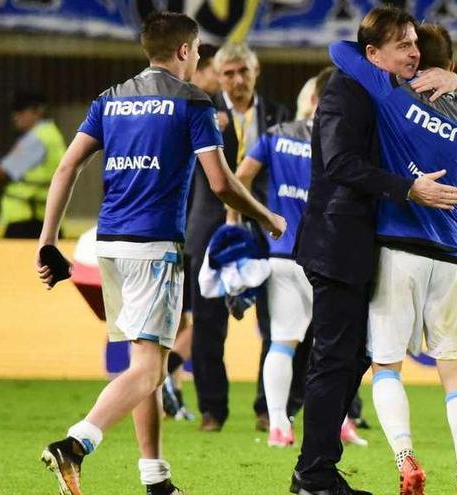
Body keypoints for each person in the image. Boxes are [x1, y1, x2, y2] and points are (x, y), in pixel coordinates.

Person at [35, 12, 285, 495]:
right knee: (151, 368)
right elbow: (220, 183)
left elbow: (67, 167)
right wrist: (267, 217)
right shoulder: (192, 101)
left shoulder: (109, 100)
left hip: (110, 245)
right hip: (154, 248)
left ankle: (155, 478)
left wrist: (48, 240)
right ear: (186, 51)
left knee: (140, 362)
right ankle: (76, 443)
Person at [291, 5, 457, 494]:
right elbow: (341, 164)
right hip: (337, 242)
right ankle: (314, 473)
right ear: (372, 53)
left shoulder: (391, 94)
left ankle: (317, 468)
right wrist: (409, 188)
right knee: (334, 359)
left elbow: (446, 120)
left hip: (365, 247)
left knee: (350, 359)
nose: (414, 52)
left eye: (415, 43)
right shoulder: (346, 91)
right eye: (403, 46)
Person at [225, 68, 369, 449]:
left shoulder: (274, 136)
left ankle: (278, 427)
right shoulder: (337, 141)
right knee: (333, 348)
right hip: (324, 257)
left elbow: (237, 180)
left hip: (281, 256)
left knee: (282, 343)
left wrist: (240, 224)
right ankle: (339, 423)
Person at [185, 41, 299, 433]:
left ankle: (267, 407)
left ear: (256, 72)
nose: (236, 80)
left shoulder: (280, 116)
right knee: (208, 325)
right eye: (228, 73)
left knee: (274, 322)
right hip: (210, 229)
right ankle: (212, 410)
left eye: (243, 72)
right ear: (218, 75)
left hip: (265, 230)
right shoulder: (200, 111)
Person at [161, 42, 224, 422]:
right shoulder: (200, 110)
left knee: (180, 319)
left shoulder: (174, 108)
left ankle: (173, 393)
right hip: (192, 230)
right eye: (212, 68)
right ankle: (165, 373)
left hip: (179, 226)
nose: (215, 75)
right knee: (196, 320)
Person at [0, 91, 65, 239]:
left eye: (20, 111)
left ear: (38, 111)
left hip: (27, 221)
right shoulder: (52, 134)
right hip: (44, 217)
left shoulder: (36, 139)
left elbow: (0, 172)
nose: (15, 116)